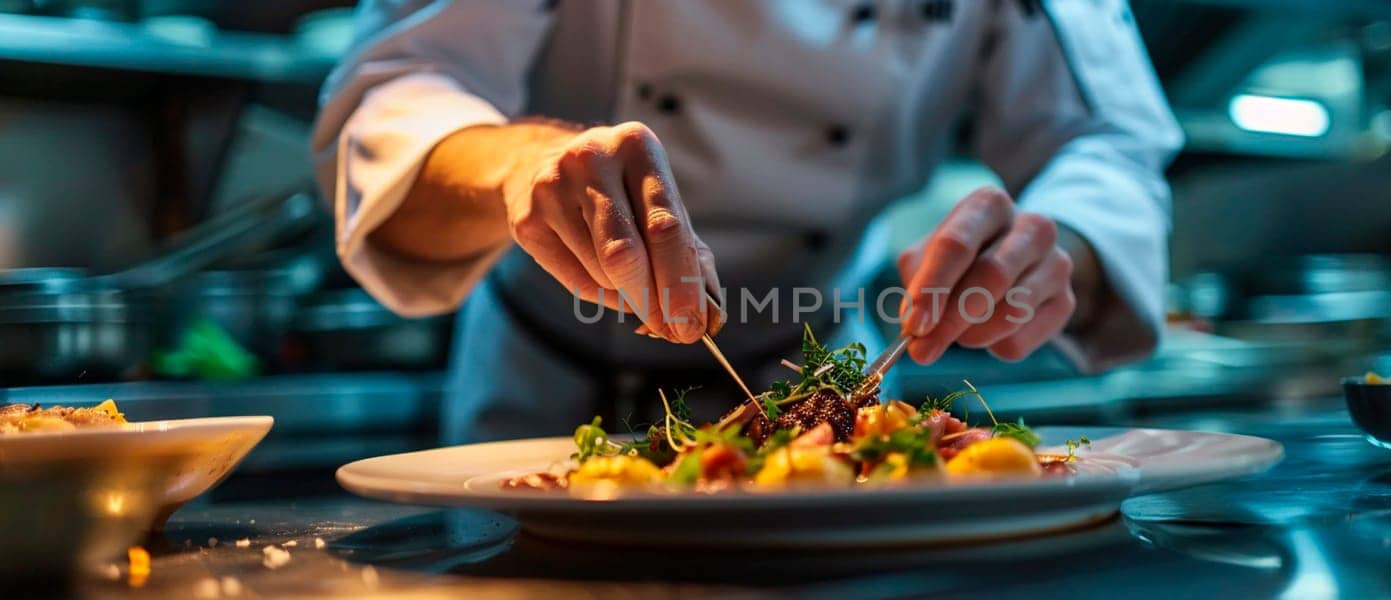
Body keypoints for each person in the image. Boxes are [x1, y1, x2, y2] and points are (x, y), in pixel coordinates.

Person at [312, 0, 1182, 443]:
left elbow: (1106, 142)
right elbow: (394, 98)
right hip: (544, 399)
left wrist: (1049, 242)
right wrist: (519, 169)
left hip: (847, 407)